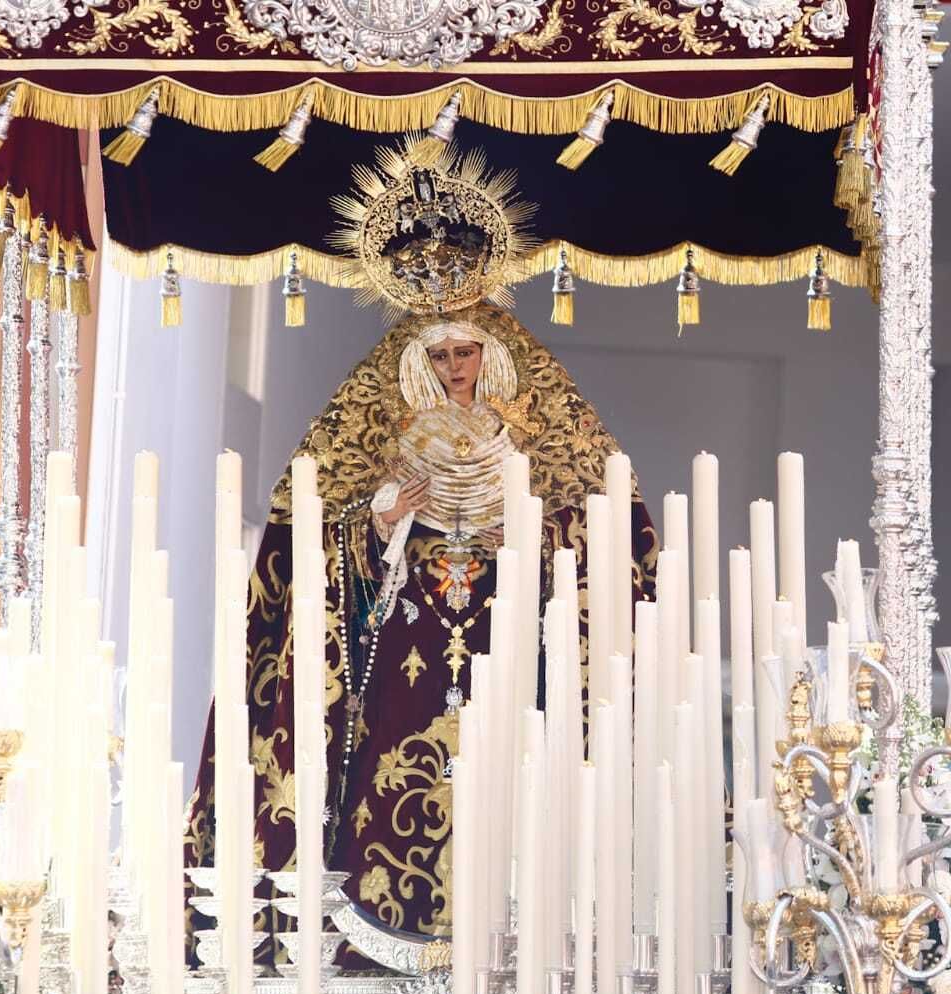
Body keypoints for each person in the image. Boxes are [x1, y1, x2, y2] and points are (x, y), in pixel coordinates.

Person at [184, 303, 658, 953]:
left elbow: (576, 553)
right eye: (441, 356)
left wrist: (521, 538)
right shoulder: (401, 440)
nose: (455, 368)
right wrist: (384, 523)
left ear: (489, 357)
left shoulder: (521, 440)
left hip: (501, 637)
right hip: (411, 649)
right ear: (421, 365)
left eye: (465, 353)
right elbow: (340, 549)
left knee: (508, 792)